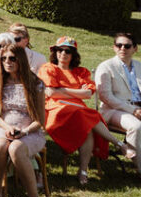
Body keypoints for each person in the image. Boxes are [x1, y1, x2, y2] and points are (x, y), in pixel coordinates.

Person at [39, 37, 133, 185]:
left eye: (68, 51)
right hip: (55, 108)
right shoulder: (48, 68)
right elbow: (51, 93)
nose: (63, 53)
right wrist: (76, 91)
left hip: (78, 110)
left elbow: (88, 93)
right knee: (86, 117)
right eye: (59, 50)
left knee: (87, 125)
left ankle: (83, 170)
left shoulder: (80, 72)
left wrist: (61, 89)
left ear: (73, 55)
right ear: (55, 52)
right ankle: (118, 144)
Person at [0, 43, 46, 197]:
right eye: (3, 58)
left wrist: (24, 131)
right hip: (2, 127)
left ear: (21, 60)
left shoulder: (35, 84)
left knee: (16, 148)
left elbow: (40, 120)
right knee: (1, 145)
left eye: (12, 58)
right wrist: (7, 127)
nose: (7, 62)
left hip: (30, 131)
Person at [95, 32, 141, 173]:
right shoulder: (106, 66)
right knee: (136, 126)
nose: (122, 48)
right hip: (113, 110)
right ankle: (140, 168)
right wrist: (132, 110)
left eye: (127, 46)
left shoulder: (139, 66)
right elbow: (106, 96)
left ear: (135, 49)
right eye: (118, 45)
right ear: (114, 48)